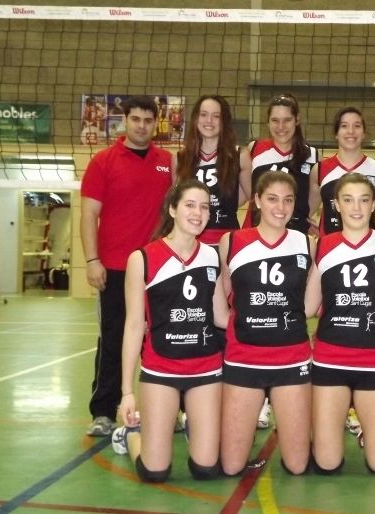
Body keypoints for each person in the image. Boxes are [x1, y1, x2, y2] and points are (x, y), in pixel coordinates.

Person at [111, 180, 227, 482]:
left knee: (206, 469)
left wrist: (269, 316)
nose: (198, 213)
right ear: (173, 209)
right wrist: (126, 392)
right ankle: (131, 436)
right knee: (155, 473)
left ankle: (194, 427)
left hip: (205, 367)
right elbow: (135, 325)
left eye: (204, 207)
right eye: (190, 204)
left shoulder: (212, 257)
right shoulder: (143, 259)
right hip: (161, 368)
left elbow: (220, 316)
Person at [81, 95, 173, 436]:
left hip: (157, 269)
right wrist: (92, 261)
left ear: (156, 122)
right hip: (116, 267)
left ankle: (162, 409)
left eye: (149, 120)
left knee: (163, 339)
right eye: (136, 119)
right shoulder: (103, 162)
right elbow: (89, 214)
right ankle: (104, 411)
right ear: (125, 120)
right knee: (113, 338)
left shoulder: (167, 161)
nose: (142, 126)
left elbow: (170, 211)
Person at [218, 171, 314, 476]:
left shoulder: (307, 244)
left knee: (298, 466)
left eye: (288, 200)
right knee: (232, 467)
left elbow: (310, 305)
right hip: (245, 358)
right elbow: (220, 298)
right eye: (272, 198)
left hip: (291, 358)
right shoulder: (231, 241)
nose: (280, 207)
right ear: (257, 200)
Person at [305, 173, 375, 474]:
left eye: (364, 200)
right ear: (336, 205)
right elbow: (307, 306)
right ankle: (320, 430)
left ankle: (369, 429)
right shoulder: (323, 245)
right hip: (331, 358)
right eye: (348, 200)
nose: (356, 208)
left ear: (373, 206)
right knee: (327, 462)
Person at [175, 95, 248, 247]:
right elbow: (177, 202)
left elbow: (253, 198)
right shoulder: (180, 158)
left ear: (225, 122)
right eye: (203, 115)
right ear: (195, 118)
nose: (209, 121)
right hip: (191, 243)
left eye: (216, 116)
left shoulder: (239, 156)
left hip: (227, 243)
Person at [241, 93, 319, 235]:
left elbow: (315, 196)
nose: (281, 126)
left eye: (287, 120)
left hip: (294, 235)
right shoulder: (254, 148)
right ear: (268, 122)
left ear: (297, 120)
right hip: (254, 231)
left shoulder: (312, 155)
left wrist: (304, 217)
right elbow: (247, 193)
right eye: (275, 120)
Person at [312, 107, 375, 239]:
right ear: (336, 133)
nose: (351, 131)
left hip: (368, 250)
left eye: (357, 126)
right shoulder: (320, 169)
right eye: (344, 126)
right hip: (330, 249)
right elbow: (305, 211)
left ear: (364, 133)